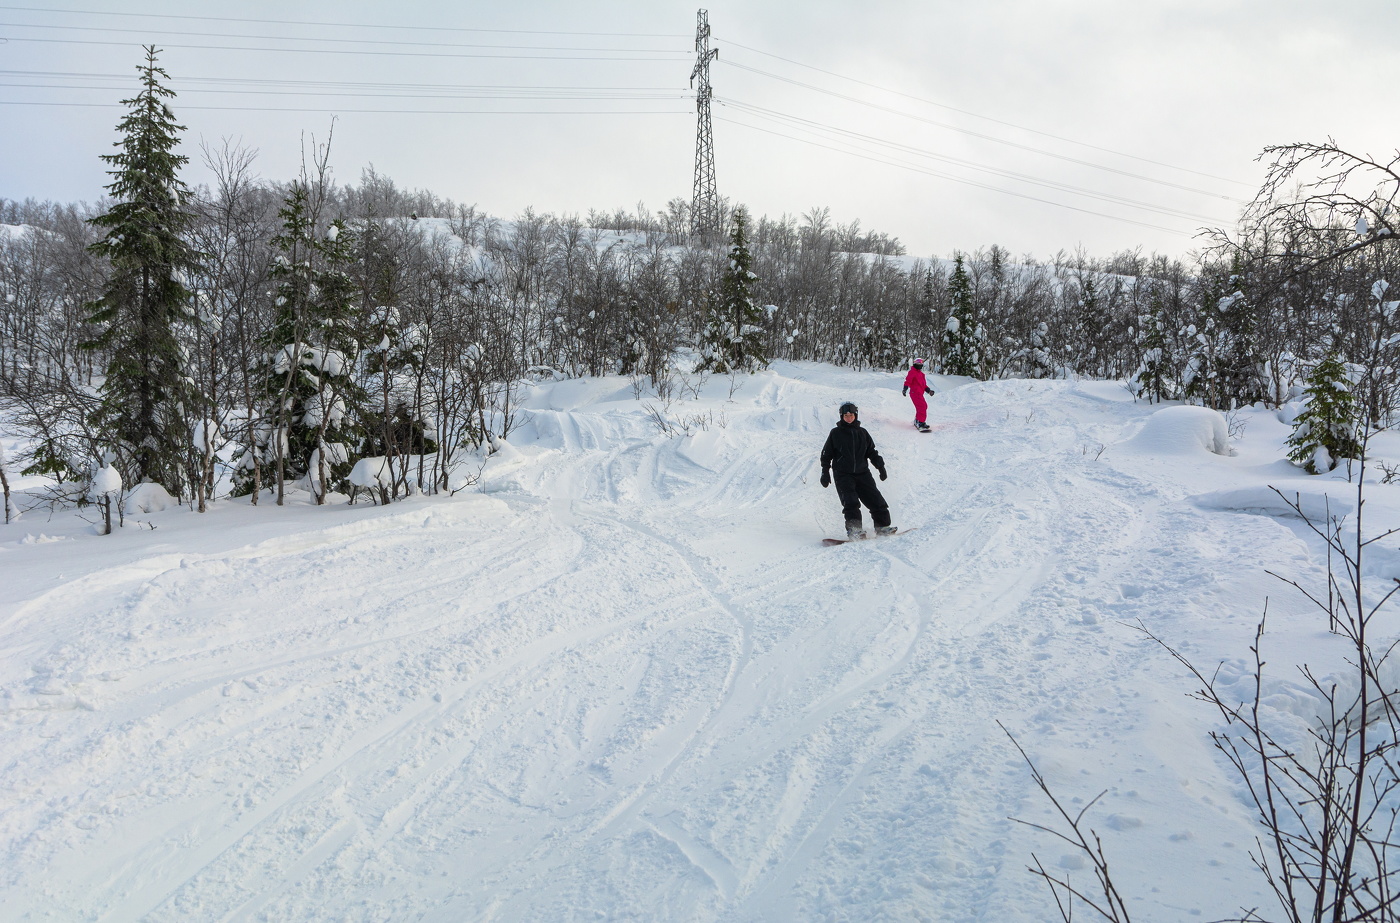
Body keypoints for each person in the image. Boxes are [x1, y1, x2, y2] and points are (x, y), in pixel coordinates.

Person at [820, 401, 895, 539]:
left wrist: (880, 467)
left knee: (876, 500)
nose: (849, 418)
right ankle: (854, 530)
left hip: (863, 473)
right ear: (841, 416)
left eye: (851, 415)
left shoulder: (863, 433)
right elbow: (826, 454)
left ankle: (882, 526)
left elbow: (871, 452)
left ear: (856, 415)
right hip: (843, 474)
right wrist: (825, 471)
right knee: (851, 502)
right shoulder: (835, 433)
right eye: (846, 415)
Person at [902, 358, 935, 432]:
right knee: (922, 407)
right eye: (918, 363)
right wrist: (905, 389)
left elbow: (923, 385)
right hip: (914, 393)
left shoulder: (921, 374)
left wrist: (929, 391)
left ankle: (918, 420)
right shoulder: (912, 372)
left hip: (919, 393)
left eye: (921, 364)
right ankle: (920, 423)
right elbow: (908, 381)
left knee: (923, 406)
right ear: (914, 364)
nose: (919, 365)